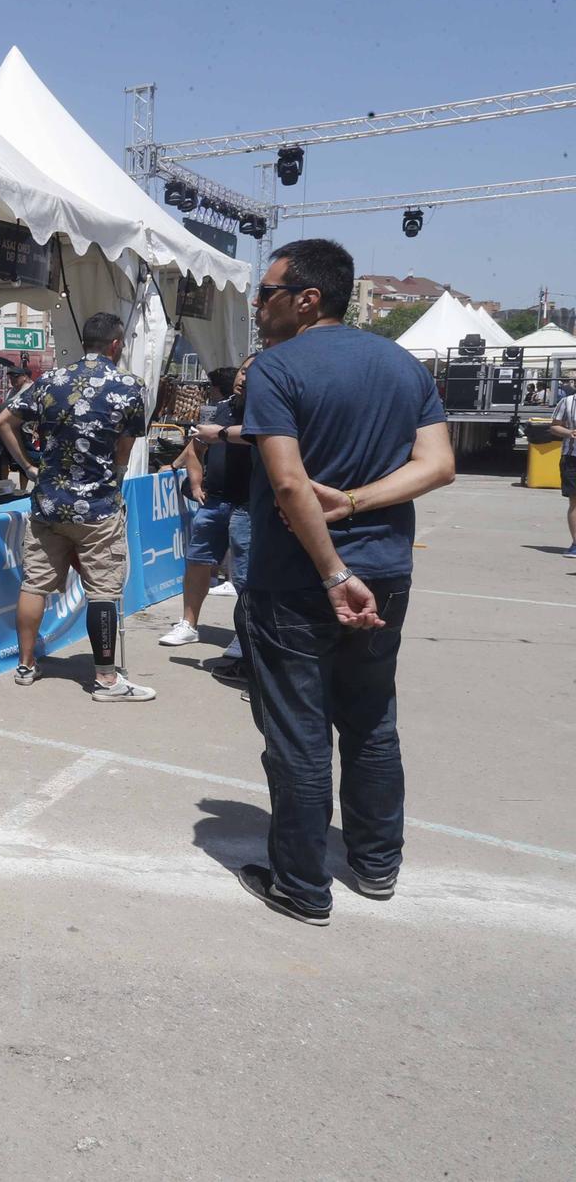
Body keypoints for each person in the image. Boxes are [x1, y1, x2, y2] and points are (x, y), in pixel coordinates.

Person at [235, 237, 455, 926]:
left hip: (299, 578)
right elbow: (438, 465)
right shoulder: (400, 366)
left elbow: (290, 482)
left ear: (307, 298)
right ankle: (377, 862)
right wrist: (362, 504)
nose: (257, 306)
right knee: (369, 720)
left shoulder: (277, 370)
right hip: (386, 570)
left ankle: (301, 885)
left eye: (266, 293)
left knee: (298, 733)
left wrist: (333, 568)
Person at [0, 311, 153, 701]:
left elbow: (2, 422)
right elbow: (126, 444)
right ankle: (106, 680)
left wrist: (29, 467)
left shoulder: (50, 380)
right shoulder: (130, 386)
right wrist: (114, 475)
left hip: (49, 503)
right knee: (102, 589)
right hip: (98, 506)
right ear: (115, 345)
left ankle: (27, 666)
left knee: (35, 584)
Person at [161, 365, 242, 649]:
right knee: (197, 561)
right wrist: (195, 484)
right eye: (242, 373)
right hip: (214, 500)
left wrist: (221, 434)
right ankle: (188, 623)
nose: (244, 379)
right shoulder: (219, 408)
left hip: (249, 503)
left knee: (245, 572)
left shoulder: (265, 408)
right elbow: (195, 447)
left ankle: (245, 634)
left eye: (250, 374)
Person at [549, 381, 576, 556]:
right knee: (574, 502)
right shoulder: (567, 402)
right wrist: (568, 433)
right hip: (572, 458)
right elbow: (554, 425)